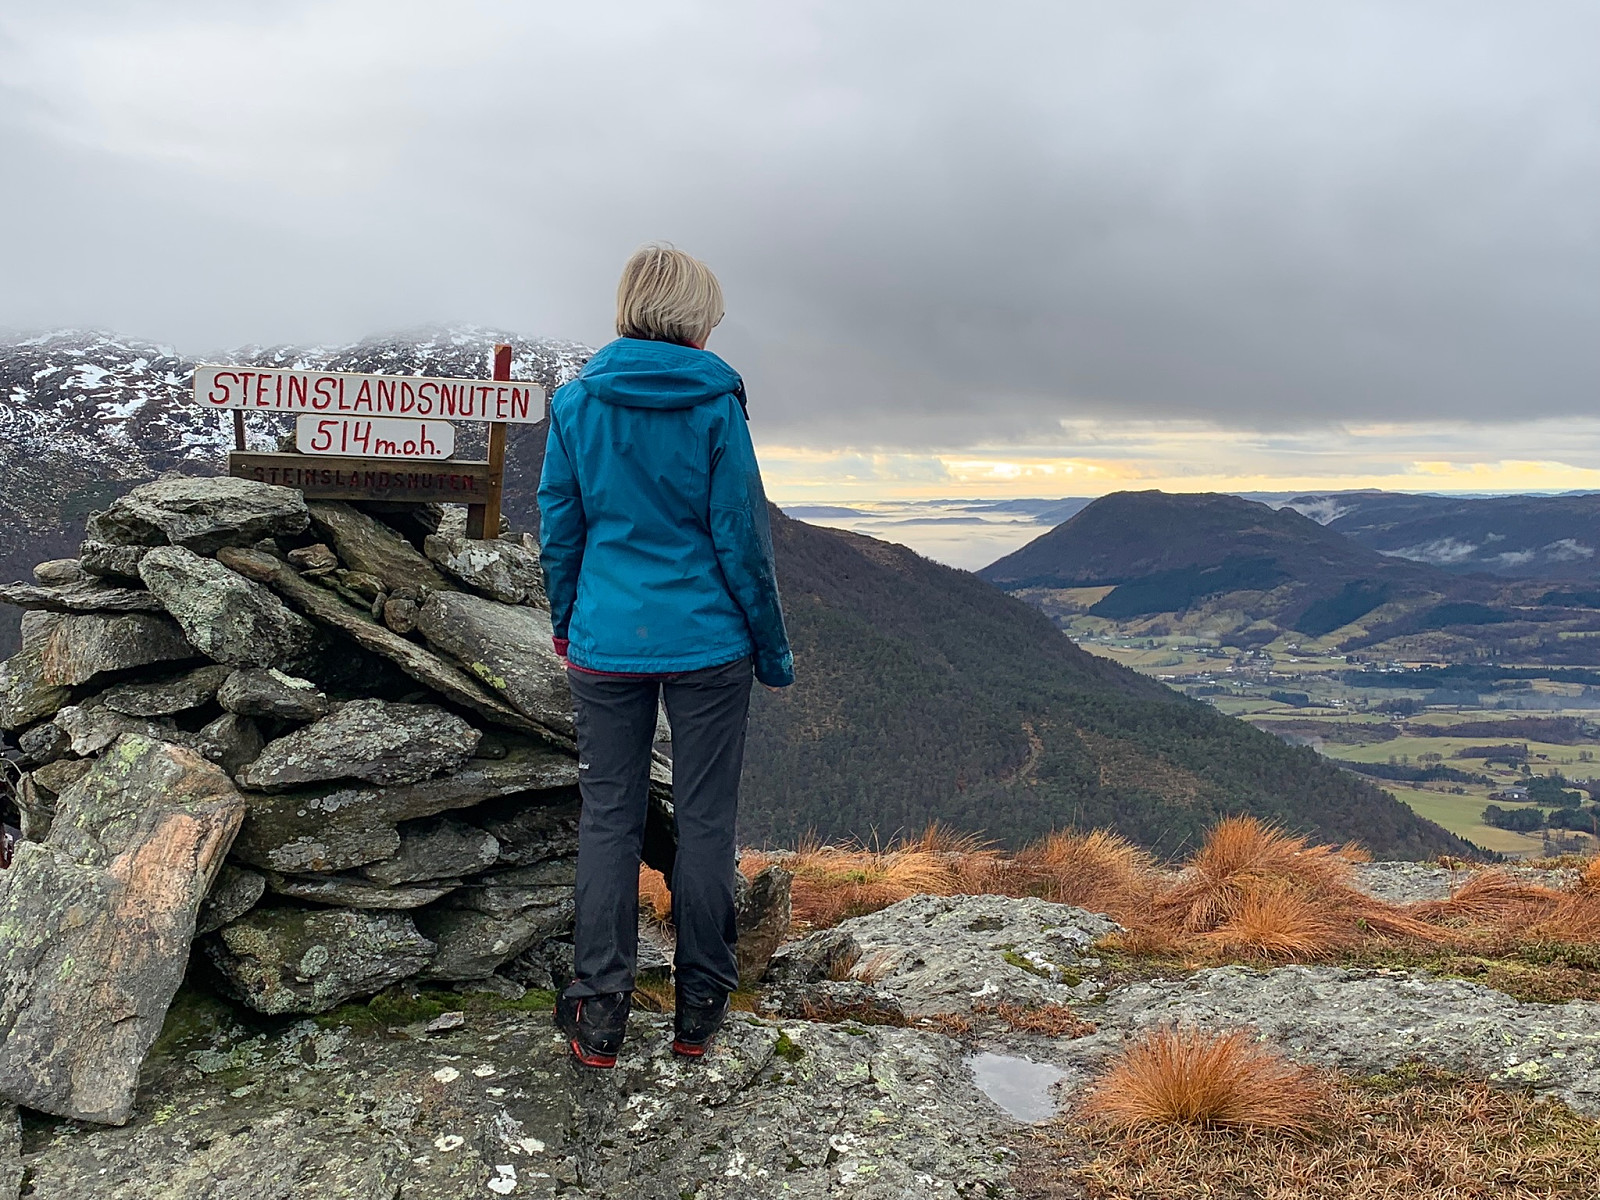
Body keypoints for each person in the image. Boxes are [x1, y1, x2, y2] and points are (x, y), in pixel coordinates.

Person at [538, 243, 794, 1068]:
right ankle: (700, 1007)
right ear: (693, 320)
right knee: (706, 821)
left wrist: (568, 623)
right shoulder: (716, 405)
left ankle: (599, 1012)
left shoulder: (576, 404)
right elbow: (742, 538)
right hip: (708, 643)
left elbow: (561, 527)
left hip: (606, 641)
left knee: (608, 819)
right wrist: (771, 647)